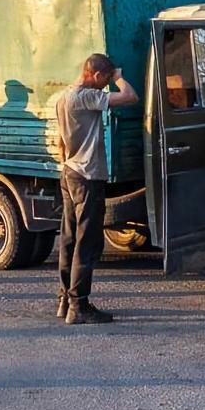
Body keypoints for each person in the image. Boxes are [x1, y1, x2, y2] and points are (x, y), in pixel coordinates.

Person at [56, 53, 138, 324]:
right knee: (87, 242)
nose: (106, 85)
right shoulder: (86, 97)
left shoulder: (63, 97)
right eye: (105, 80)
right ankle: (78, 305)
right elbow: (130, 97)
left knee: (69, 239)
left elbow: (60, 142)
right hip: (87, 176)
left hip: (69, 172)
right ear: (96, 75)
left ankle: (65, 299)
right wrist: (119, 78)